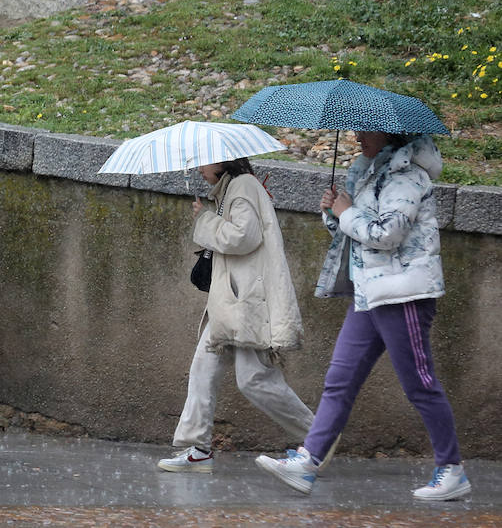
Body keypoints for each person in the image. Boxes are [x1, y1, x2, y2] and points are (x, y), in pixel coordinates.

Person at [257, 132, 473, 501]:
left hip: (403, 294)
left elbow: (386, 234)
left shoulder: (406, 178)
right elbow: (354, 233)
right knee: (339, 380)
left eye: (366, 129)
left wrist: (347, 212)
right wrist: (333, 212)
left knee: (420, 384)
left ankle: (451, 470)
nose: (358, 136)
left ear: (391, 133)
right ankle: (307, 463)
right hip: (371, 291)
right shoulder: (372, 172)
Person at [156, 157, 314, 473]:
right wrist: (212, 216)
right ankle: (199, 448)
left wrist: (205, 221)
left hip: (244, 303)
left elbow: (243, 237)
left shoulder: (242, 186)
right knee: (203, 368)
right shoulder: (231, 190)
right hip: (229, 302)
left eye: (203, 162)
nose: (198, 168)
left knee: (254, 379)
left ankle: (318, 436)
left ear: (222, 162)